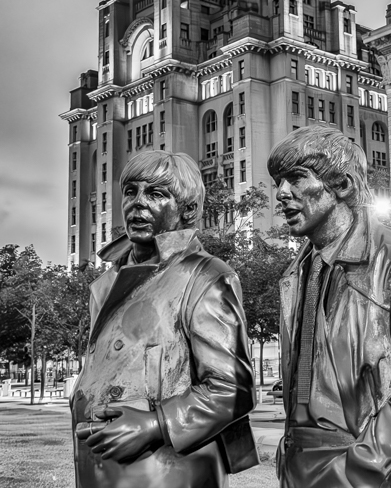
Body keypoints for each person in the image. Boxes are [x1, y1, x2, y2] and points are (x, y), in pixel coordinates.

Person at [268, 125, 391, 487]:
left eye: (295, 178)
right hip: (301, 469)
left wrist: (363, 464)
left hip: (375, 473)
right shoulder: (296, 273)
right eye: (278, 181)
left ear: (342, 185)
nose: (281, 193)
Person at [71, 150, 257, 488]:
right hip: (104, 468)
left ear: (188, 210)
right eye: (131, 191)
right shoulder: (108, 281)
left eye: (156, 194)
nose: (137, 203)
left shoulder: (206, 276)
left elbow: (234, 389)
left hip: (170, 472)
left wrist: (155, 424)